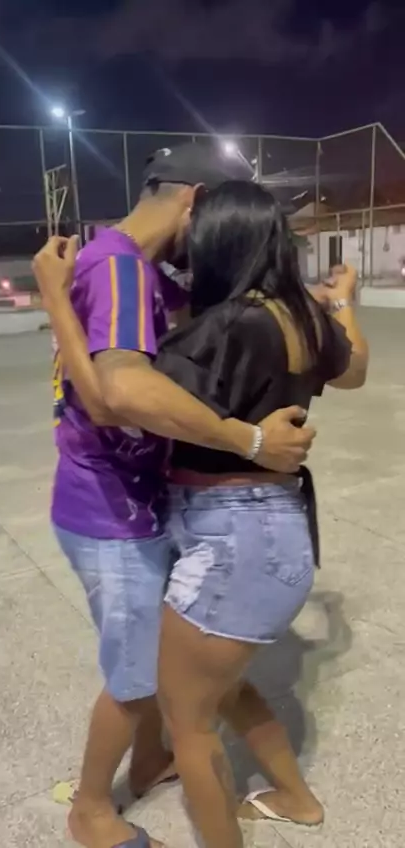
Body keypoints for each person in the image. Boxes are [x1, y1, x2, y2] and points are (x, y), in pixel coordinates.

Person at [33, 145, 317, 848]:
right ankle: (92, 811)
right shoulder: (122, 267)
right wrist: (248, 440)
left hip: (133, 499)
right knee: (136, 676)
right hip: (110, 508)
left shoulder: (143, 272)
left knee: (164, 663)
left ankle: (148, 762)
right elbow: (118, 396)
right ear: (195, 201)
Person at [151, 181, 368, 848]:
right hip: (274, 529)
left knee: (187, 724)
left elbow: (132, 397)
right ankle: (295, 799)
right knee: (223, 689)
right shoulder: (300, 317)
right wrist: (344, 302)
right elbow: (354, 368)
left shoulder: (228, 325)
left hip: (233, 537)